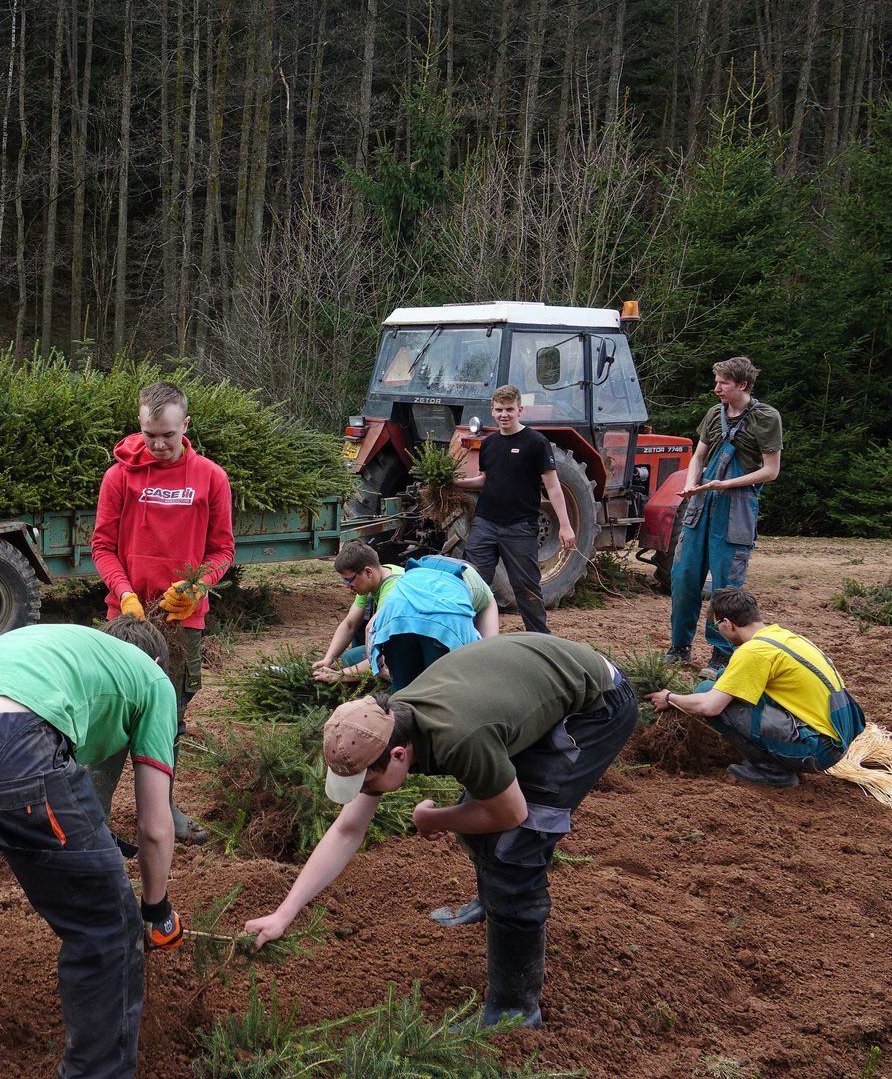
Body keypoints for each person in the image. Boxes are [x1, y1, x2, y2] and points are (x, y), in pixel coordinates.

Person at [244, 634, 638, 1029]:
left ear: (398, 755)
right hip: (524, 689)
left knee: (513, 850)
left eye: (366, 784)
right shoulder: (385, 725)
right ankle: (491, 904)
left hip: (595, 706)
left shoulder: (459, 737)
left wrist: (436, 819)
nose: (364, 794)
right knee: (478, 813)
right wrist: (284, 913)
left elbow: (511, 813)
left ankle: (516, 1011)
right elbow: (348, 829)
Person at [0, 620, 184, 1076]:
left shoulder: (62, 648)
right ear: (157, 662)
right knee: (105, 925)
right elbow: (154, 825)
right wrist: (155, 909)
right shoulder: (153, 679)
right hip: (13, 743)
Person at [90, 381, 235, 845]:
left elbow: (222, 550)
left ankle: (162, 809)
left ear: (185, 425)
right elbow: (102, 547)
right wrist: (125, 594)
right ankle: (94, 814)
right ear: (140, 424)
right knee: (112, 716)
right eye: (150, 434)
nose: (158, 444)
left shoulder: (211, 477)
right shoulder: (119, 477)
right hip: (128, 621)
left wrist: (197, 587)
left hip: (181, 621)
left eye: (168, 435)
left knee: (168, 715)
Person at [647, 587, 862, 788]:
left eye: (716, 626)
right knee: (723, 677)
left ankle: (772, 770)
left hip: (817, 751)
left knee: (706, 690)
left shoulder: (754, 652)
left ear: (727, 624)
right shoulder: (785, 638)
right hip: (838, 737)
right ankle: (781, 758)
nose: (719, 632)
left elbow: (708, 707)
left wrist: (669, 698)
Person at [665, 357, 782, 676]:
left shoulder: (766, 417)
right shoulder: (713, 414)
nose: (716, 388)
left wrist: (725, 484)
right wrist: (692, 484)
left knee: (726, 586)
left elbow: (771, 471)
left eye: (723, 383)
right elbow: (698, 456)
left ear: (742, 385)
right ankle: (678, 647)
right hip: (701, 506)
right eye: (716, 381)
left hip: (737, 508)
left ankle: (721, 653)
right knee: (684, 576)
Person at [454, 384, 576, 635]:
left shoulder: (536, 442)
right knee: (473, 583)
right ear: (492, 411)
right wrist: (455, 482)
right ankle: (469, 639)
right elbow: (485, 480)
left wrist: (565, 525)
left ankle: (541, 642)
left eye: (509, 409)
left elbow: (553, 486)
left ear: (520, 410)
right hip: (485, 523)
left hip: (520, 527)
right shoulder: (488, 444)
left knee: (526, 588)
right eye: (499, 410)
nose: (504, 415)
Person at [313, 541, 498, 690]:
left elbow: (485, 654)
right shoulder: (386, 585)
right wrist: (331, 660)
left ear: (368, 571)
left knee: (447, 676)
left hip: (441, 617)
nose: (346, 585)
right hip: (424, 614)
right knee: (441, 683)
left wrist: (345, 674)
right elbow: (354, 626)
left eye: (348, 580)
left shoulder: (481, 595)